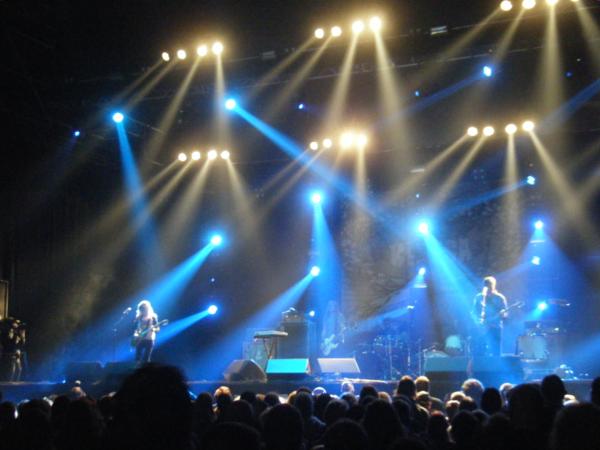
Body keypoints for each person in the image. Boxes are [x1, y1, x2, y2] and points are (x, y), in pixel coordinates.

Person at [472, 276, 507, 357]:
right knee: (480, 351)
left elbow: (505, 314)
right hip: (481, 328)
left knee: (496, 351)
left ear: (493, 285)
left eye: (489, 285)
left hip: (495, 327)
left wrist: (503, 314)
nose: (487, 287)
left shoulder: (499, 298)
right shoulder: (479, 297)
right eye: (486, 285)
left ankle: (496, 364)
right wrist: (478, 322)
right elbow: (474, 312)